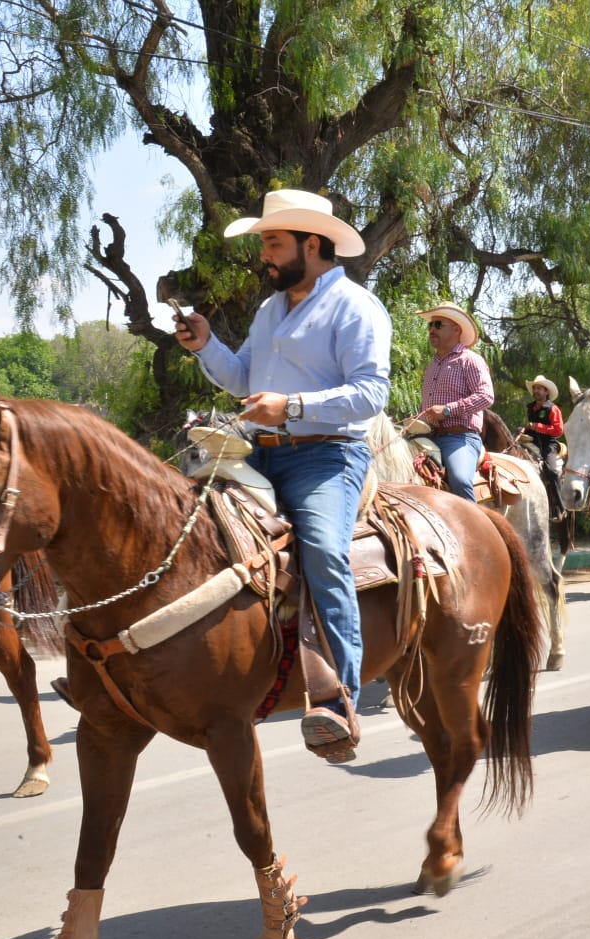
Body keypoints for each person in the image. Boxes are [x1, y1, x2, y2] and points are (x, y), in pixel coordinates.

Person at [174, 188, 390, 764]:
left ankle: (339, 696)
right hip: (258, 451)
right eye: (265, 243)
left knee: (322, 549)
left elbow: (371, 394)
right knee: (189, 523)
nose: (264, 256)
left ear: (311, 244)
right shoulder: (270, 310)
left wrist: (290, 408)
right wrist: (206, 345)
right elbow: (246, 380)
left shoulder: (356, 306)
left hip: (327, 456)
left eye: (273, 243)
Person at [415, 301, 495, 502]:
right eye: (430, 326)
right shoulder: (432, 365)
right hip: (429, 436)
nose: (432, 329)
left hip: (460, 438)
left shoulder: (470, 360)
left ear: (456, 329)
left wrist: (448, 410)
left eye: (438, 325)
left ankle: (475, 529)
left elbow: (486, 396)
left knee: (459, 480)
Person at [523, 375, 566, 520]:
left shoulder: (553, 409)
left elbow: (558, 431)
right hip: (533, 442)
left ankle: (560, 508)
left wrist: (537, 427)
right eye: (534, 388)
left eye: (539, 388)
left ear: (546, 392)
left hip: (549, 444)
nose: (536, 391)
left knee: (552, 471)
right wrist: (524, 431)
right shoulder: (531, 408)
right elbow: (530, 428)